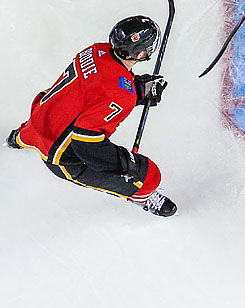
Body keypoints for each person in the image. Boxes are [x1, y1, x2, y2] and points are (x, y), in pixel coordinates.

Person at [6, 16, 176, 217]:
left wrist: (137, 90)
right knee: (148, 176)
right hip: (61, 157)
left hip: (40, 118)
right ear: (139, 53)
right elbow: (86, 143)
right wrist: (125, 164)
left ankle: (17, 138)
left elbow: (96, 87)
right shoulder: (121, 94)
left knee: (43, 119)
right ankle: (143, 196)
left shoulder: (97, 50)